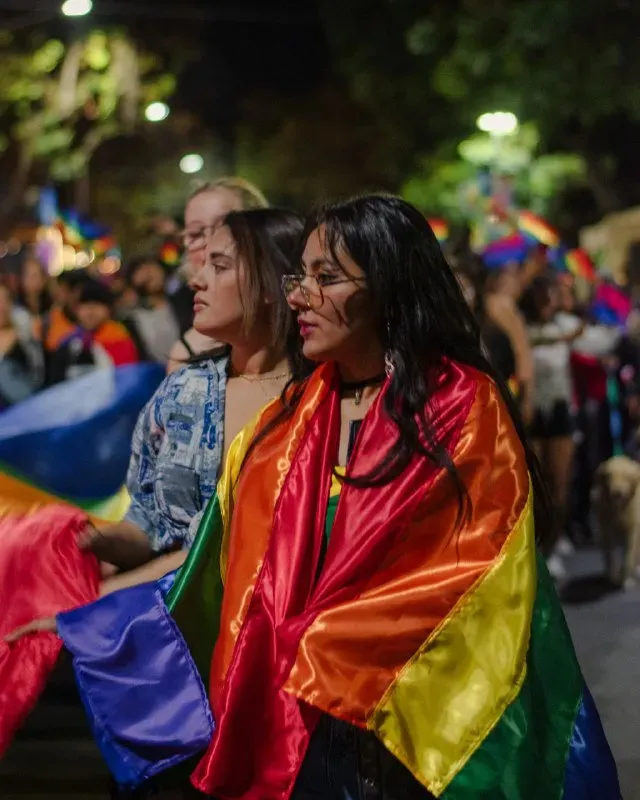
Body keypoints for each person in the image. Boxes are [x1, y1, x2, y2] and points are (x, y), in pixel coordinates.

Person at [6, 199, 619, 800]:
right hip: (302, 733)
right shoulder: (285, 423)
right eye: (301, 276)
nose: (301, 295)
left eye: (326, 278)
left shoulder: (461, 406)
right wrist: (86, 626)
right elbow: (210, 574)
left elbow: (470, 576)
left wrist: (319, 644)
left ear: (388, 286)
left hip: (417, 736)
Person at [81, 207, 304, 593]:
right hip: (167, 624)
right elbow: (147, 525)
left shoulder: (321, 399)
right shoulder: (184, 389)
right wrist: (91, 539)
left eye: (219, 266)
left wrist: (109, 599)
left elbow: (243, 551)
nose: (196, 280)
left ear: (272, 285)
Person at [167, 177, 269, 373]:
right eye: (195, 234)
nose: (210, 242)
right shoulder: (184, 357)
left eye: (225, 226)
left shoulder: (305, 328)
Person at [520, 276, 583, 577]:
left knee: (559, 485)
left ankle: (553, 545)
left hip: (558, 409)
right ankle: (535, 545)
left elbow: (592, 336)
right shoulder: (522, 327)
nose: (547, 304)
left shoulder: (566, 325)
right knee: (536, 486)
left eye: (551, 298)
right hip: (531, 413)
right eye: (542, 298)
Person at [48, 279, 139, 384]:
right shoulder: (68, 344)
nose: (90, 311)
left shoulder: (122, 337)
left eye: (97, 304)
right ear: (76, 310)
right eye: (85, 305)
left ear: (109, 309)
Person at [121, 255, 182, 364]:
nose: (150, 273)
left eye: (153, 268)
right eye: (143, 270)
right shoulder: (131, 319)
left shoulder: (181, 302)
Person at [0, 284, 42, 407]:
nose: (1, 306)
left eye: (5, 300)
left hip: (27, 398)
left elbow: (38, 369)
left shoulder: (25, 330)